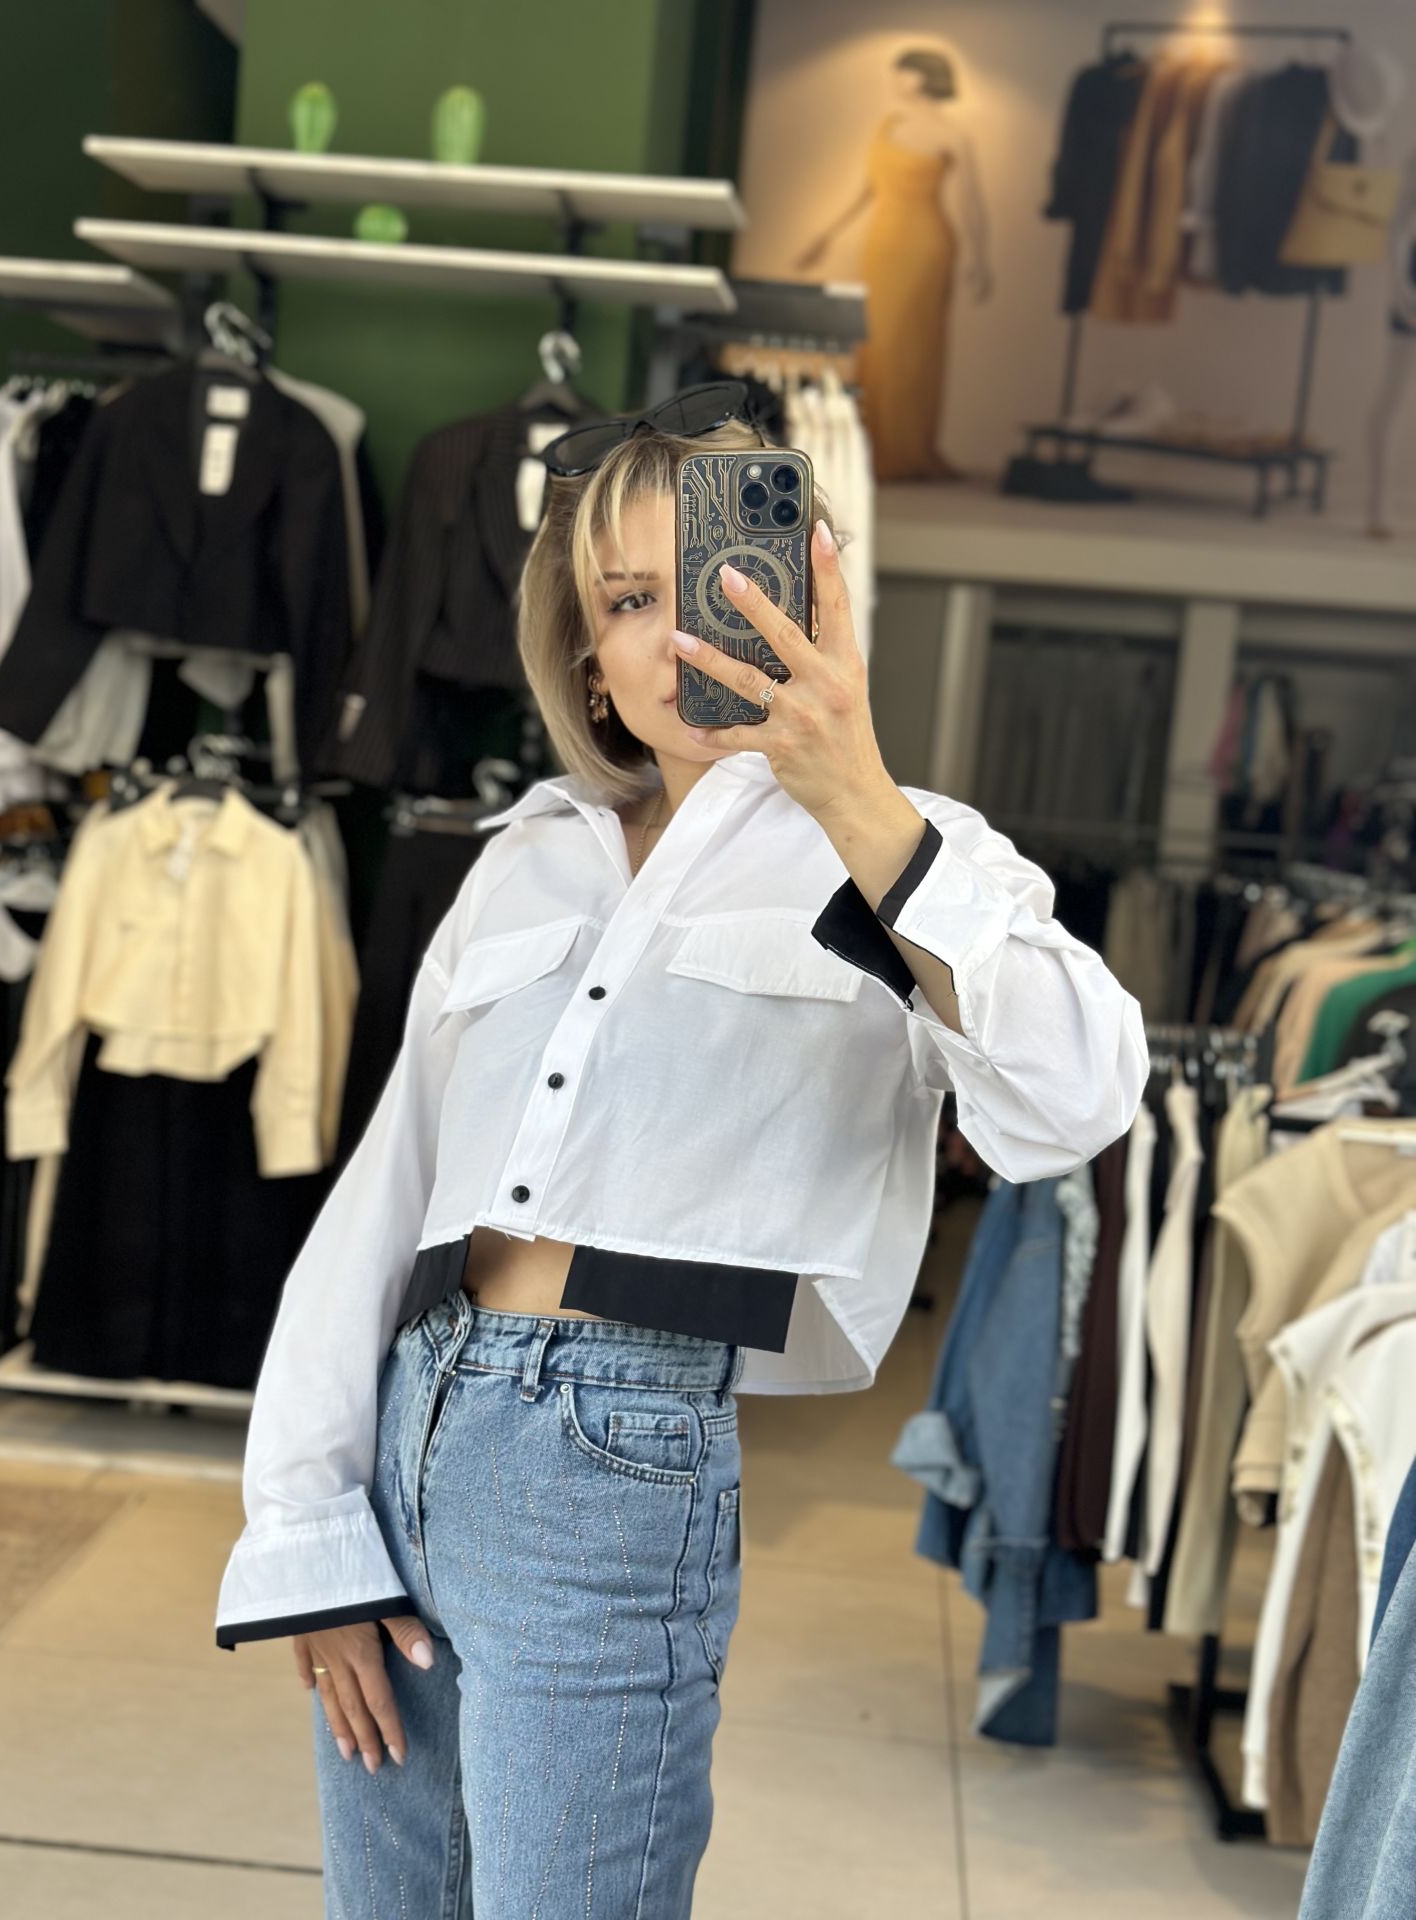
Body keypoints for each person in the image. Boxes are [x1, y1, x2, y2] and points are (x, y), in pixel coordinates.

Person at [214, 381, 1146, 1916]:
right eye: (628, 601)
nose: (674, 636)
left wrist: (855, 795)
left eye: (715, 582)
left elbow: (1078, 1100)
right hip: (410, 1423)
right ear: (587, 654)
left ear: (807, 588)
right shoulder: (526, 854)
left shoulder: (913, 848)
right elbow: (385, 1198)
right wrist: (307, 1523)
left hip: (616, 1455)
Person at [794, 47, 993, 480]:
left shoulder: (952, 135)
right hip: (883, 245)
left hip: (926, 246)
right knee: (877, 343)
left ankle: (909, 449)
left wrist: (981, 258)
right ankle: (873, 445)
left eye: (902, 73)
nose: (896, 81)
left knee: (913, 347)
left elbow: (971, 203)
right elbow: (864, 189)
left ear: (921, 78)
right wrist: (824, 235)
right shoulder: (888, 126)